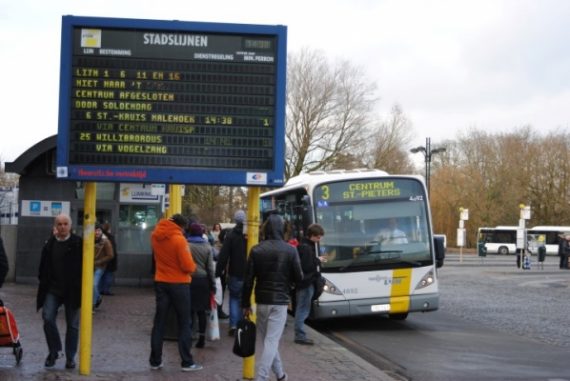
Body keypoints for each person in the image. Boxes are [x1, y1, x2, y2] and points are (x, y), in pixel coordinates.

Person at [242, 213, 303, 381]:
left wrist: (245, 304)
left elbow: (248, 281)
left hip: (261, 301)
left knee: (269, 341)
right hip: (281, 302)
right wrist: (288, 286)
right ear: (283, 229)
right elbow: (299, 278)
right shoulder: (290, 250)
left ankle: (281, 375)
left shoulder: (256, 250)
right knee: (271, 341)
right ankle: (261, 377)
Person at [149, 214, 202, 372]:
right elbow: (187, 266)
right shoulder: (179, 240)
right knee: (184, 322)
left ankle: (155, 360)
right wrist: (193, 267)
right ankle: (187, 362)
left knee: (159, 322)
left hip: (161, 282)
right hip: (179, 284)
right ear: (181, 226)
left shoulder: (155, 236)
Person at [36, 214, 83, 369]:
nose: (62, 227)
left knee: (73, 325)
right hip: (53, 289)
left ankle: (70, 357)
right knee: (47, 317)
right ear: (55, 226)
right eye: (59, 224)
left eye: (65, 224)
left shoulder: (78, 243)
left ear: (70, 225)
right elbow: (43, 266)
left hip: (72, 290)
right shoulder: (49, 244)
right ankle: (54, 351)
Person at [215, 210, 248, 336]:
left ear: (235, 220)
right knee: (245, 299)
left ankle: (234, 325)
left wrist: (218, 272)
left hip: (235, 272)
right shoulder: (252, 234)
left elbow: (223, 256)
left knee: (234, 298)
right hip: (249, 273)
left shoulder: (231, 235)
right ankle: (242, 324)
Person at [294, 223, 325, 345]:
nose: (319, 240)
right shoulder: (307, 248)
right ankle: (300, 335)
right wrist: (318, 260)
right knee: (303, 309)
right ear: (312, 235)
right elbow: (307, 267)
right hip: (306, 283)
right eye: (318, 237)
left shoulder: (303, 245)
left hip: (303, 282)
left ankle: (299, 334)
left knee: (302, 308)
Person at [186, 223, 216, 348]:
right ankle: (201, 338)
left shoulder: (186, 245)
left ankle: (188, 334)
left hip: (188, 280)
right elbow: (210, 268)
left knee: (188, 310)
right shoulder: (207, 247)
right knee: (201, 311)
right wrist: (213, 284)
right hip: (203, 281)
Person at [93, 223, 114, 310]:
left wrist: (99, 262)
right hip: (89, 266)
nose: (97, 232)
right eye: (95, 230)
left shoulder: (106, 241)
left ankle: (93, 305)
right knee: (90, 286)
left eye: (99, 230)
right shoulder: (89, 240)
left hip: (100, 267)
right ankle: (98, 298)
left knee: (94, 285)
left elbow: (110, 255)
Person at [98, 221, 118, 296]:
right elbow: (113, 250)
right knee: (108, 276)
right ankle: (105, 290)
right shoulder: (110, 237)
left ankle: (100, 290)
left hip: (101, 260)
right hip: (109, 260)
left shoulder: (100, 237)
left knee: (101, 275)